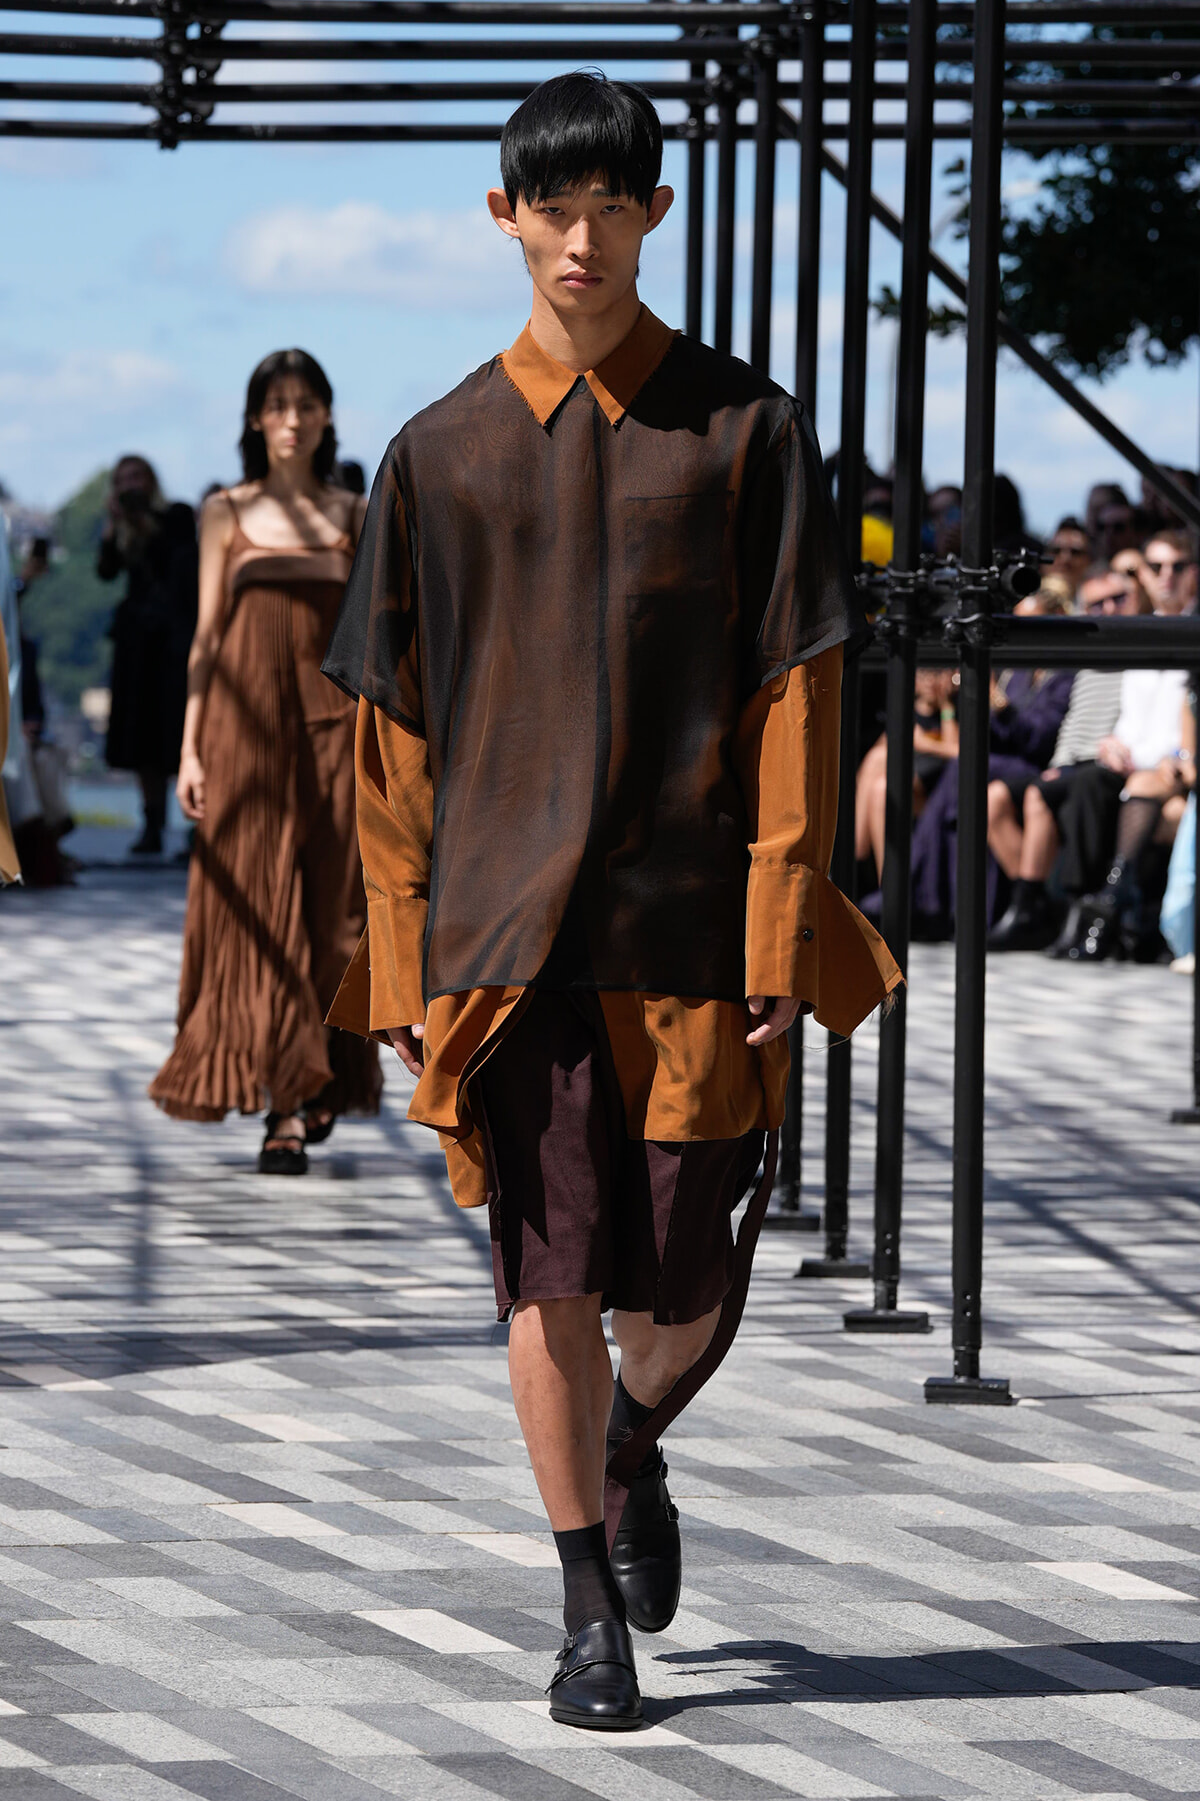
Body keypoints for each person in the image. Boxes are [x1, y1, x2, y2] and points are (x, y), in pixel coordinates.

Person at [321, 73, 900, 1730]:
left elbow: (798, 685)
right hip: (507, 943)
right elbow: (393, 736)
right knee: (546, 1272)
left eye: (612, 203)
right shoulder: (436, 453)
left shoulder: (745, 430)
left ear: (654, 213)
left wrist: (785, 916)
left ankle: (632, 1450)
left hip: (690, 926)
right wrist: (400, 964)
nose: (582, 236)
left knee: (687, 1293)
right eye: (552, 205)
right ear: (503, 215)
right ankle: (586, 1607)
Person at [150, 349, 382, 1171]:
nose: (290, 419)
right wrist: (189, 746)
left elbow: (376, 640)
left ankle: (321, 1071)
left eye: (305, 404)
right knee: (260, 912)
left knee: (334, 917)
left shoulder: (354, 513)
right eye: (275, 405)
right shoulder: (226, 512)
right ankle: (285, 1103)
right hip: (242, 737)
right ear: (255, 419)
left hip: (332, 729)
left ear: (326, 416)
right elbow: (206, 638)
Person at [987, 569, 1145, 952]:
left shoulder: (1143, 648)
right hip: (1073, 758)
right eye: (1096, 603)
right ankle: (1033, 907)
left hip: (1112, 761)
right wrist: (1059, 760)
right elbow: (1075, 720)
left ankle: (1060, 910)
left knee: (1066, 791)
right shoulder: (1083, 657)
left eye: (1117, 599)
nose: (1107, 609)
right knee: (1009, 795)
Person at [97, 456, 198, 856]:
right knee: (140, 736)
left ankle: (193, 825)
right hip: (137, 642)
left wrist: (143, 521)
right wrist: (114, 530)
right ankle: (152, 824)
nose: (131, 486)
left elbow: (181, 558)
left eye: (136, 477)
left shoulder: (173, 515)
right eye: (123, 480)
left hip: (172, 640)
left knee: (176, 729)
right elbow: (105, 571)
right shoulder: (120, 529)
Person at [1045, 516, 1091, 602]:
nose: (1065, 559)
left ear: (1089, 561)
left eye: (1075, 552)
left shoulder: (1102, 606)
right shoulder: (1025, 605)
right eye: (1056, 551)